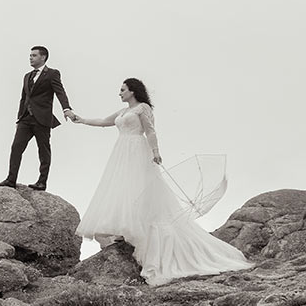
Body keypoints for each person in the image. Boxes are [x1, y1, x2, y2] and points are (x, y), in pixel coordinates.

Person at [71, 78, 251, 286]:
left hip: (137, 150)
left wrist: (156, 152)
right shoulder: (122, 112)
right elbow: (103, 121)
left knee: (139, 186)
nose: (119, 93)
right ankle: (124, 229)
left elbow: (150, 131)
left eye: (122, 90)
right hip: (121, 153)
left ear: (132, 91)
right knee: (123, 188)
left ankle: (139, 230)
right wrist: (80, 119)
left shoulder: (142, 108)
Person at [0, 46, 75, 191]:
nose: (30, 58)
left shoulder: (52, 74)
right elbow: (23, 98)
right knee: (16, 147)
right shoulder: (27, 76)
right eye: (30, 55)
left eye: (34, 55)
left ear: (43, 57)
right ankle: (11, 180)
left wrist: (66, 108)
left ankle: (42, 182)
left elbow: (60, 92)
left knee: (43, 150)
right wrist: (19, 118)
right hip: (26, 118)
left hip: (42, 118)